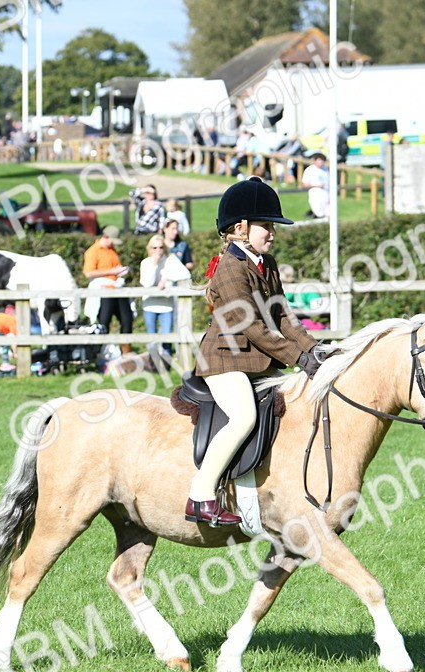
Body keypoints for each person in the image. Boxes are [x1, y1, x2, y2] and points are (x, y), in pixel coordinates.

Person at [187, 177, 321, 526]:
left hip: (255, 362)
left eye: (272, 226)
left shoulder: (267, 263)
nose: (272, 232)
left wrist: (314, 351)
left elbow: (283, 317)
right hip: (224, 360)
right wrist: (296, 358)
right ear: (240, 228)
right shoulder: (230, 268)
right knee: (244, 416)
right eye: (266, 225)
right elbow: (253, 328)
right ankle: (201, 495)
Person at [139, 234, 191, 362]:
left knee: (167, 336)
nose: (158, 251)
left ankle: (166, 363)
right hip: (149, 304)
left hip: (166, 305)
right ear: (149, 248)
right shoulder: (145, 263)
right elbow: (147, 283)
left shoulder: (170, 260)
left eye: (161, 247)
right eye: (154, 248)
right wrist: (155, 264)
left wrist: (166, 277)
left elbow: (185, 273)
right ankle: (153, 362)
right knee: (152, 336)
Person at [83, 226, 132, 340]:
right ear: (105, 237)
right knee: (104, 321)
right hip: (104, 290)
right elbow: (88, 273)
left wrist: (119, 271)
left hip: (117, 288)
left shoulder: (112, 250)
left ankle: (126, 349)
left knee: (127, 319)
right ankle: (102, 350)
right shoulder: (93, 251)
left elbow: (114, 267)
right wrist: (110, 271)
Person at [300, 152, 330, 218]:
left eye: (323, 161)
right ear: (315, 161)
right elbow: (304, 184)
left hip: (326, 194)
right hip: (315, 195)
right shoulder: (310, 170)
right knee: (319, 213)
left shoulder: (326, 170)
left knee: (329, 213)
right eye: (319, 160)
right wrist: (317, 186)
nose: (321, 162)